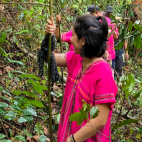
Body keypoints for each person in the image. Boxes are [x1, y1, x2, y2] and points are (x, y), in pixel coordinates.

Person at [42, 14, 118, 142]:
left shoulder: (103, 72)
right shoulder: (76, 59)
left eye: (73, 36)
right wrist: (48, 36)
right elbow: (49, 58)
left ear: (82, 41)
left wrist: (73, 139)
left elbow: (100, 119)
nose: (70, 39)